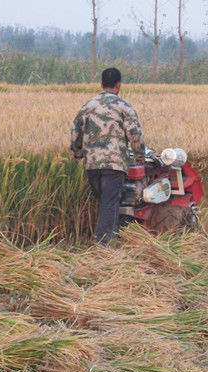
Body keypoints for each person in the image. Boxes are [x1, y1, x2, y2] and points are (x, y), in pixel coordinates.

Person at [70, 67, 145, 244]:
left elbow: (75, 132)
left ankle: (108, 238)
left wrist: (77, 152)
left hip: (92, 165)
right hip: (114, 165)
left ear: (102, 84)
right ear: (118, 85)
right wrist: (139, 155)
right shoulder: (124, 107)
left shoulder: (88, 106)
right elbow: (135, 135)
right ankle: (103, 245)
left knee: (105, 202)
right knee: (109, 203)